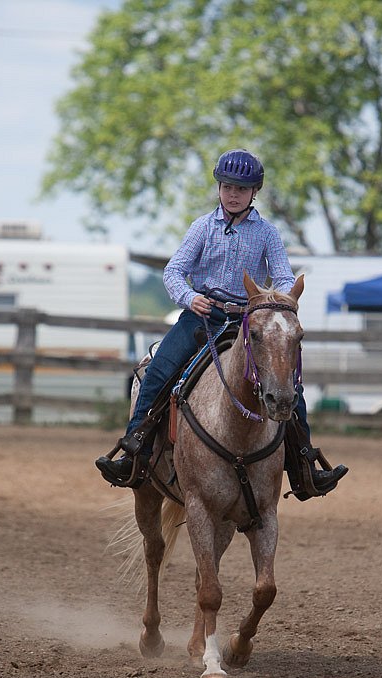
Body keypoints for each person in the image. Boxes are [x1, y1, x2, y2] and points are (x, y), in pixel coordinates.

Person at [96, 148, 348, 497]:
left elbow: (283, 275)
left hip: (246, 322)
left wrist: (282, 300)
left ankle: (304, 465)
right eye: (227, 186)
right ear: (219, 187)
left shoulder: (267, 234)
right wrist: (189, 298)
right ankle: (134, 450)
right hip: (200, 316)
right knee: (158, 371)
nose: (232, 194)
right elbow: (174, 271)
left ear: (254, 192)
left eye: (241, 189)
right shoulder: (202, 227)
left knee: (287, 384)